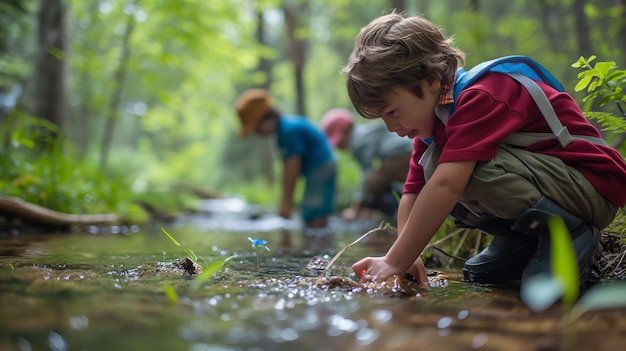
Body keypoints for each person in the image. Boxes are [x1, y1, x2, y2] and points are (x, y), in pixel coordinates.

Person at [344, 12, 626, 288]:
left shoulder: (482, 95)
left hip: (593, 186)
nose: (391, 127)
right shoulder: (435, 125)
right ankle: (527, 239)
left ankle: (570, 231)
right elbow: (412, 194)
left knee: (458, 173)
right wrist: (407, 255)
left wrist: (394, 261)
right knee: (436, 168)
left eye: (393, 112)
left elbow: (445, 186)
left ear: (429, 81)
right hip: (560, 186)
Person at [234, 88, 337, 232]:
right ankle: (320, 243)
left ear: (267, 118)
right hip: (322, 165)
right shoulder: (285, 129)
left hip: (321, 167)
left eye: (256, 128)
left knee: (314, 212)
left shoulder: (289, 131)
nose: (257, 134)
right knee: (313, 211)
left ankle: (321, 246)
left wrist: (286, 202)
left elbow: (292, 167)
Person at [321, 108, 413, 222]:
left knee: (374, 181)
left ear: (345, 130)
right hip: (408, 152)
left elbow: (367, 174)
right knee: (379, 180)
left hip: (403, 155)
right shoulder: (364, 132)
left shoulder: (358, 141)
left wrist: (355, 209)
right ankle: (401, 210)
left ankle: (400, 213)